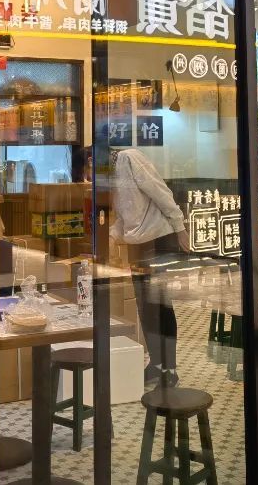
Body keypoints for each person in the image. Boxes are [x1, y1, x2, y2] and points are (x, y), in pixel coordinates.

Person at [112, 148, 190, 387]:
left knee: (160, 304)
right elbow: (124, 214)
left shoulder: (129, 157)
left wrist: (180, 227)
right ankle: (156, 364)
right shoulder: (111, 174)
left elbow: (160, 190)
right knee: (145, 307)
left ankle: (170, 369)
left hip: (158, 238)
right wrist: (112, 235)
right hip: (137, 243)